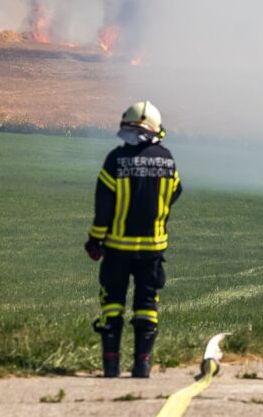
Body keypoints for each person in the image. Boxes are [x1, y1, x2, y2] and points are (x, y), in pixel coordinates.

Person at [85, 101, 182, 378]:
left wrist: (95, 240)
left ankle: (111, 363)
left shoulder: (116, 160)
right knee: (147, 304)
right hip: (153, 249)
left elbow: (103, 207)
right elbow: (176, 191)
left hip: (117, 247)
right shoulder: (167, 159)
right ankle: (143, 364)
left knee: (112, 303)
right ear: (155, 128)